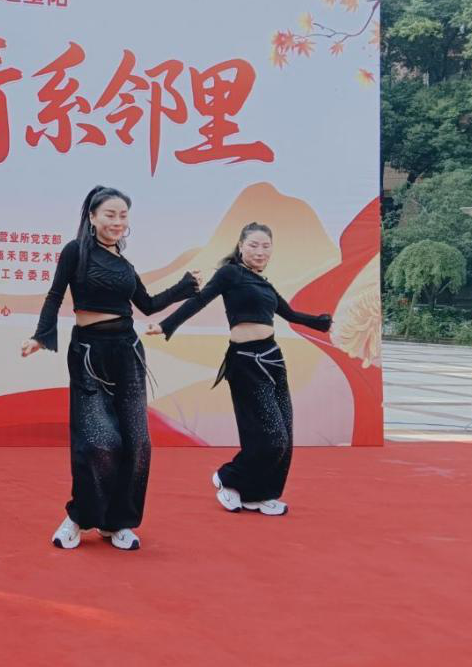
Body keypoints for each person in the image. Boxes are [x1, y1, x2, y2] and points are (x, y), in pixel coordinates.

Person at [22, 185, 199, 552]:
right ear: (92, 217)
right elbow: (55, 295)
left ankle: (118, 521)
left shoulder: (123, 263)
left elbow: (147, 304)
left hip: (127, 351)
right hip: (89, 351)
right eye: (110, 214)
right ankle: (78, 517)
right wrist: (41, 335)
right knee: (98, 442)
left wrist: (184, 287)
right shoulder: (75, 252)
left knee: (138, 442)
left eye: (123, 215)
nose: (117, 222)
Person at [147, 222, 332, 517]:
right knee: (271, 437)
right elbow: (200, 300)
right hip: (245, 361)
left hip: (273, 360)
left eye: (266, 246)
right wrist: (166, 325)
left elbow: (290, 314)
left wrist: (322, 323)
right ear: (241, 246)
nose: (260, 251)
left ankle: (260, 494)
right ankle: (228, 477)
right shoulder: (230, 274)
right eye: (254, 245)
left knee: (285, 437)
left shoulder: (265, 285)